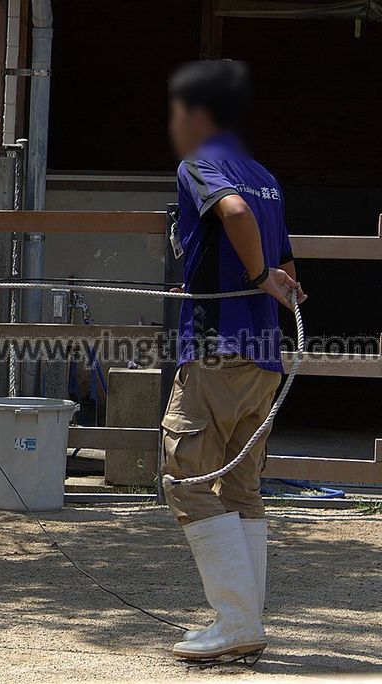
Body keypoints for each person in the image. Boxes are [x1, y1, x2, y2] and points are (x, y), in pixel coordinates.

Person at [163, 59, 307, 661]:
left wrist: (251, 275)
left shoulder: (201, 165)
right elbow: (289, 269)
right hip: (264, 354)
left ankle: (235, 621)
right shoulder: (265, 175)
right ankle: (244, 621)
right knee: (242, 485)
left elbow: (236, 217)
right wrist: (268, 283)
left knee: (186, 476)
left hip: (218, 346)